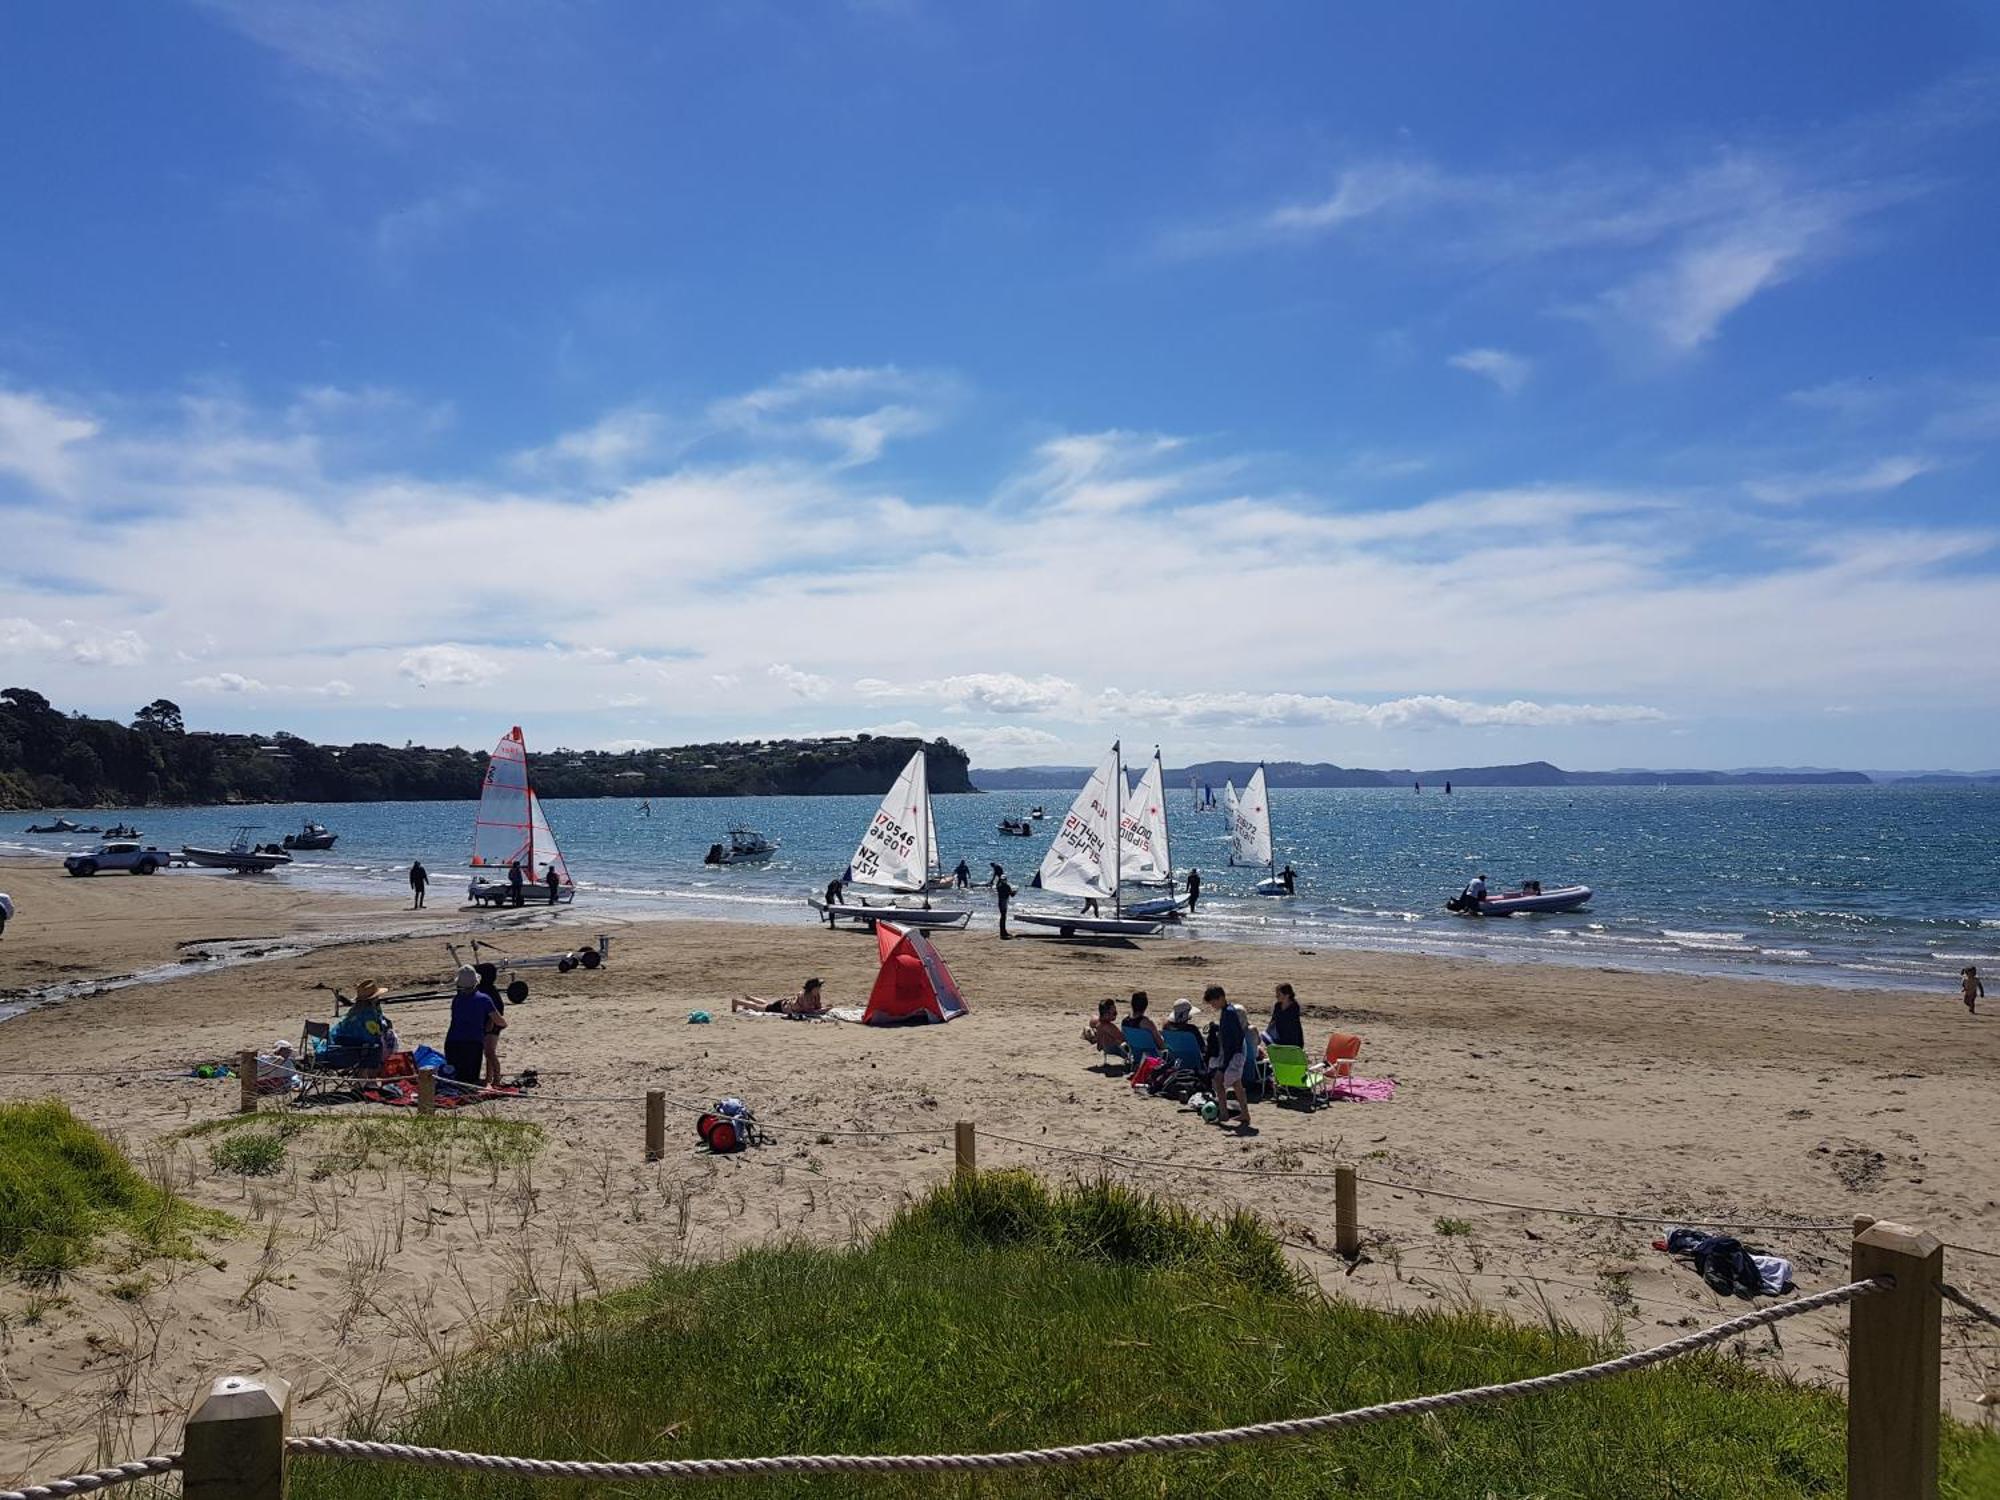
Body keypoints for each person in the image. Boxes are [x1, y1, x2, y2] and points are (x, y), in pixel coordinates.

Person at [1206, 984, 1253, 1131]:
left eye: (1213, 1002)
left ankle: (1224, 1113)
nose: (1212, 1005)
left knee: (1219, 1080)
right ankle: (1244, 1114)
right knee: (1237, 1084)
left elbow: (1231, 1041)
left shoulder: (1229, 1014)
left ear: (1220, 998)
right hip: (1236, 1052)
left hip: (1234, 1054)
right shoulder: (1227, 1011)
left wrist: (1224, 1064)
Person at [444, 965, 501, 1087]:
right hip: (472, 1043)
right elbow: (499, 1021)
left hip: (452, 1043)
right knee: (470, 1081)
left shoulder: (456, 1000)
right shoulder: (484, 999)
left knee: (456, 1079)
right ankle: (493, 1079)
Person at [330, 979, 398, 1073]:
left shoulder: (355, 1010)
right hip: (355, 1049)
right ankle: (371, 1073)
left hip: (342, 1044)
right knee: (380, 1044)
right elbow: (373, 1034)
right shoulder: (367, 1014)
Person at [475, 962, 506, 1085]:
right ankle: (489, 1078)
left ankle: (496, 1078)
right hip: (486, 1024)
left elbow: (498, 1008)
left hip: (492, 1025)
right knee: (487, 1053)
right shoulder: (484, 988)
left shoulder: (489, 991)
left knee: (489, 1052)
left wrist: (491, 1022)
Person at [733, 978, 826, 1016]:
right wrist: (825, 1010)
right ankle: (737, 1001)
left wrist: (823, 1008)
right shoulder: (805, 996)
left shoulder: (816, 995)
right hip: (781, 1008)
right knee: (757, 1008)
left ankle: (750, 998)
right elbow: (810, 1011)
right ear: (812, 988)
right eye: (818, 987)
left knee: (766, 1004)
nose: (820, 988)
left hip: (785, 1003)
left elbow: (818, 1007)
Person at [1267, 981, 1304, 1049]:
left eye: (1279, 994)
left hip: (1292, 1038)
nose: (1276, 996)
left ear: (1287, 995)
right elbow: (1273, 1020)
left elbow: (1293, 1027)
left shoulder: (1294, 1007)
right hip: (1278, 1036)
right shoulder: (1277, 1005)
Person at [995, 873, 1015, 939]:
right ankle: (1003, 933)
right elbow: (1012, 895)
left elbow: (1008, 893)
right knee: (1003, 917)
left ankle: (1003, 932)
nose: (1004, 880)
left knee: (1003, 917)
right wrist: (1015, 891)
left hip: (1001, 902)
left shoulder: (999, 886)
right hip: (1003, 902)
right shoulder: (1006, 886)